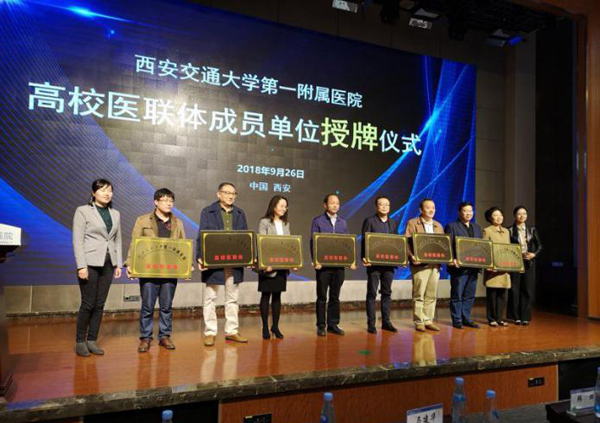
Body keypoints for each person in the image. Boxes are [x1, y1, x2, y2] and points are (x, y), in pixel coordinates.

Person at [125, 188, 187, 352]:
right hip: (148, 270)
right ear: (156, 202)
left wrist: (186, 265)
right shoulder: (143, 220)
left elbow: (183, 245)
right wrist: (130, 264)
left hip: (169, 270)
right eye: (165, 200)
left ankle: (164, 336)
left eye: (171, 200)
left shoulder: (178, 222)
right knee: (147, 306)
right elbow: (134, 243)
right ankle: (145, 338)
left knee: (166, 306)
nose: (169, 203)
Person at [72, 179, 122, 357]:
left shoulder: (115, 213)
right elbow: (77, 240)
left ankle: (92, 340)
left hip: (108, 264)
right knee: (88, 304)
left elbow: (117, 240)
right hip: (89, 263)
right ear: (93, 193)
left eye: (109, 190)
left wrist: (118, 263)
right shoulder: (83, 211)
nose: (107, 193)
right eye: (102, 190)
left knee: (100, 304)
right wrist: (81, 266)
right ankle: (80, 341)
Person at [196, 182, 248, 346]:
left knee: (232, 298)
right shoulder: (208, 211)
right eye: (227, 193)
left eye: (233, 193)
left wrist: (248, 257)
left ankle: (232, 331)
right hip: (214, 262)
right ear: (219, 194)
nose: (231, 196)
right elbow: (202, 236)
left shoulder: (239, 213)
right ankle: (210, 332)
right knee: (210, 297)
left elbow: (245, 237)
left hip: (234, 261)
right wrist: (200, 257)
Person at [310, 193, 356, 337]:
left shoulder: (343, 222)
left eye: (337, 203)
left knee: (335, 297)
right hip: (323, 267)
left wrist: (350, 261)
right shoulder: (318, 221)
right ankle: (321, 325)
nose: (335, 205)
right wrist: (316, 261)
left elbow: (347, 243)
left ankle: (333, 324)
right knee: (322, 297)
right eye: (332, 203)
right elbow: (313, 242)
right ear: (325, 205)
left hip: (339, 266)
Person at [361, 196, 399, 334]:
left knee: (387, 293)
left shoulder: (393, 223)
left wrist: (400, 259)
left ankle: (386, 322)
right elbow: (365, 240)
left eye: (387, 205)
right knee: (372, 293)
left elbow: (397, 243)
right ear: (376, 206)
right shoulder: (370, 221)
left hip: (389, 265)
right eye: (381, 204)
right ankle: (371, 323)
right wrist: (364, 257)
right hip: (374, 264)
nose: (384, 207)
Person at [405, 198, 444, 332]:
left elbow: (442, 245)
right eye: (428, 207)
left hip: (435, 265)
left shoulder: (438, 225)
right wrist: (411, 256)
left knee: (431, 294)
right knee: (419, 294)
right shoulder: (413, 223)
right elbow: (406, 242)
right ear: (421, 210)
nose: (431, 210)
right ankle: (419, 321)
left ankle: (428, 320)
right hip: (420, 265)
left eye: (433, 207)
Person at [257, 195, 292, 340]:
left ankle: (275, 327)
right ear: (274, 206)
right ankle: (265, 327)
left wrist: (292, 262)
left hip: (281, 266)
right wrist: (267, 263)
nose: (284, 209)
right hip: (268, 266)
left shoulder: (286, 224)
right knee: (266, 295)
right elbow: (262, 243)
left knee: (277, 296)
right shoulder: (264, 222)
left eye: (285, 206)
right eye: (281, 206)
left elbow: (289, 244)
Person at [445, 202, 483, 329]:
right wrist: (452, 259)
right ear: (459, 212)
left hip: (474, 266)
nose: (469, 213)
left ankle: (466, 318)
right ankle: (457, 320)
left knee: (469, 295)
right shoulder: (452, 226)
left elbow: (481, 247)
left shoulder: (476, 227)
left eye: (470, 211)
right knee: (457, 294)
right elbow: (448, 245)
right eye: (465, 211)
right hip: (459, 268)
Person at [508, 206, 542, 326]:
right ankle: (515, 317)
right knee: (514, 289)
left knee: (527, 289)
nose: (522, 216)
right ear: (515, 215)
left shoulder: (532, 229)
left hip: (529, 262)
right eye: (519, 214)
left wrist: (534, 254)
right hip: (515, 263)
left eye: (524, 214)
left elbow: (539, 246)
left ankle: (525, 316)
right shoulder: (509, 230)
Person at [482, 206, 511, 327]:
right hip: (493, 268)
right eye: (495, 215)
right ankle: (491, 318)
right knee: (492, 295)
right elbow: (484, 250)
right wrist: (488, 265)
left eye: (500, 215)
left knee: (502, 295)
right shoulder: (487, 231)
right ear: (490, 218)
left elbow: (510, 249)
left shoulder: (506, 231)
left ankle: (499, 318)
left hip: (504, 267)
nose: (499, 217)